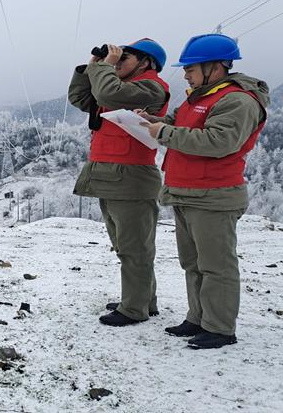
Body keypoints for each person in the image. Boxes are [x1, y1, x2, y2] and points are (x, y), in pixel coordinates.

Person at [140, 33, 268, 349]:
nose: (185, 74)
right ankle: (198, 318)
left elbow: (220, 142)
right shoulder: (200, 97)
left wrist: (165, 132)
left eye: (191, 68)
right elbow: (177, 123)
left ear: (215, 67)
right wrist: (151, 122)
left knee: (216, 266)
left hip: (214, 194)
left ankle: (220, 328)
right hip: (187, 191)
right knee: (194, 263)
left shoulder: (236, 100)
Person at [68, 38, 170, 327]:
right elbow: (81, 99)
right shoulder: (115, 85)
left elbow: (109, 94)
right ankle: (141, 300)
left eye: (126, 57)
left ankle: (134, 308)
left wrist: (106, 69)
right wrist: (91, 68)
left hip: (132, 177)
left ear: (146, 62)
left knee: (134, 247)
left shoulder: (151, 87)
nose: (118, 60)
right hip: (110, 174)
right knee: (124, 244)